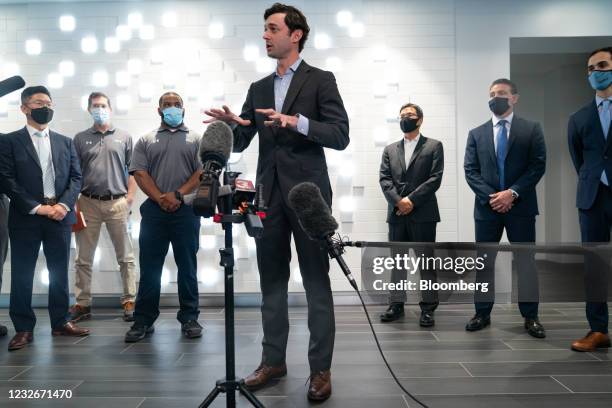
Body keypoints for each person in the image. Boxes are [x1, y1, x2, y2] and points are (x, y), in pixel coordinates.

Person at [204, 3, 349, 401]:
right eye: (264, 30)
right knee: (271, 283)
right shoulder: (258, 87)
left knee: (317, 284)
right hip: (266, 196)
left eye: (272, 29)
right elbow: (246, 139)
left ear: (296, 34)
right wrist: (236, 125)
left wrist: (295, 122)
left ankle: (320, 370)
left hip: (308, 199)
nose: (265, 36)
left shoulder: (321, 80)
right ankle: (274, 361)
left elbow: (340, 135)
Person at [0, 86, 90, 351]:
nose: (45, 107)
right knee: (22, 274)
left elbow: (76, 177)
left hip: (60, 215)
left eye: (49, 103)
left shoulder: (65, 141)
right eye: (39, 102)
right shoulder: (9, 141)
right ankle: (24, 328)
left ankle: (60, 321)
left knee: (59, 272)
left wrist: (63, 204)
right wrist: (37, 208)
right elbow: (6, 179)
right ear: (24, 108)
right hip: (26, 217)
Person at [463, 78, 547, 338]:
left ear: (514, 98)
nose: (495, 97)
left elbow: (537, 165)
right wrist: (494, 197)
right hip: (487, 209)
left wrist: (512, 193)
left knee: (526, 263)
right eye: (492, 94)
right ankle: (482, 313)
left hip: (521, 208)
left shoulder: (531, 129)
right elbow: (471, 171)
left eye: (501, 93)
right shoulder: (476, 133)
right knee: (484, 262)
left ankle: (531, 316)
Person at [124, 92, 203, 342]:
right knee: (150, 269)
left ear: (183, 108)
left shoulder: (196, 139)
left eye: (176, 104)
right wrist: (160, 198)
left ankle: (189, 318)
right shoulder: (146, 140)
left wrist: (178, 195)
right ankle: (143, 320)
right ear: (158, 110)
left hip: (186, 212)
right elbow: (139, 173)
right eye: (166, 105)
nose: (172, 108)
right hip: (155, 212)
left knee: (187, 267)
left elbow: (202, 172)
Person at [68, 92, 138, 323]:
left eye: (103, 105)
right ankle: (83, 303)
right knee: (83, 258)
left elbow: (133, 170)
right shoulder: (79, 139)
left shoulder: (124, 137)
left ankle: (129, 300)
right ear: (89, 110)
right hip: (87, 202)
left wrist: (128, 199)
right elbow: (75, 173)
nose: (100, 109)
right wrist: (74, 201)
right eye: (95, 106)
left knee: (126, 257)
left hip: (117, 202)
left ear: (110, 108)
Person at [378, 103, 443, 327]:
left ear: (420, 119)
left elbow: (435, 179)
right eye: (402, 115)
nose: (405, 118)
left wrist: (411, 200)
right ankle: (396, 305)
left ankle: (428, 309)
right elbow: (385, 180)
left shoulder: (434, 146)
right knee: (397, 263)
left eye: (410, 115)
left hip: (423, 213)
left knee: (426, 263)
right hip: (397, 213)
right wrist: (399, 201)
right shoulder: (389, 149)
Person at [568, 46, 612, 352]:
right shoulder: (579, 117)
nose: (596, 72)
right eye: (591, 69)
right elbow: (579, 159)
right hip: (593, 198)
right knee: (593, 265)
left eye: (602, 65)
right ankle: (598, 330)